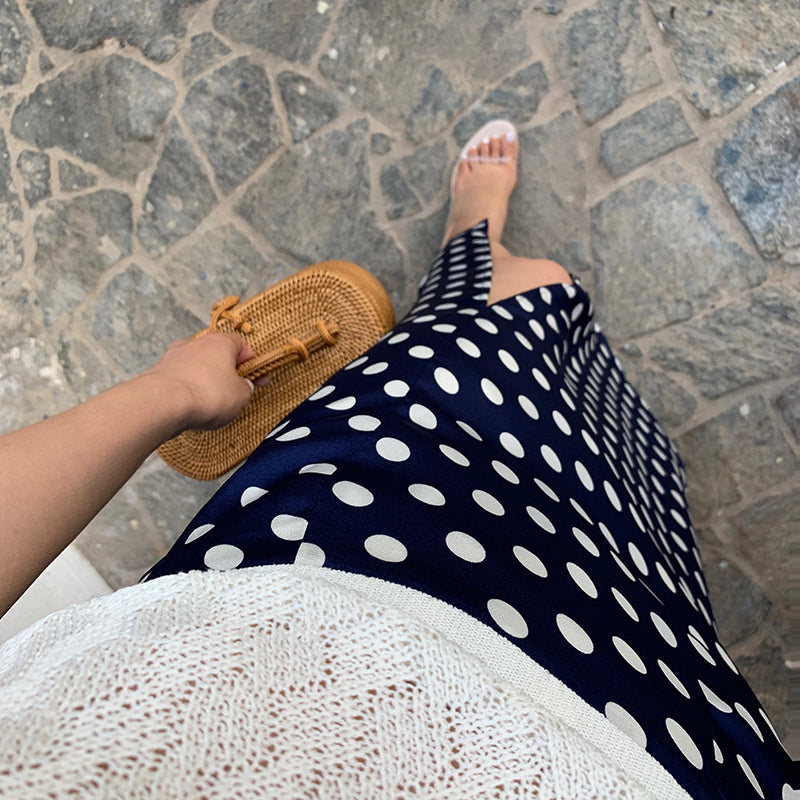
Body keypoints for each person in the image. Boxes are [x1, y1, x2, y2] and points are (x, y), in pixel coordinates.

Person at [0, 120, 795, 799]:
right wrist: (171, 386)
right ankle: (474, 256)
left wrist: (174, 388)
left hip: (325, 594)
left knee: (486, 360)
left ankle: (475, 258)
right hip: (638, 729)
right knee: (516, 355)